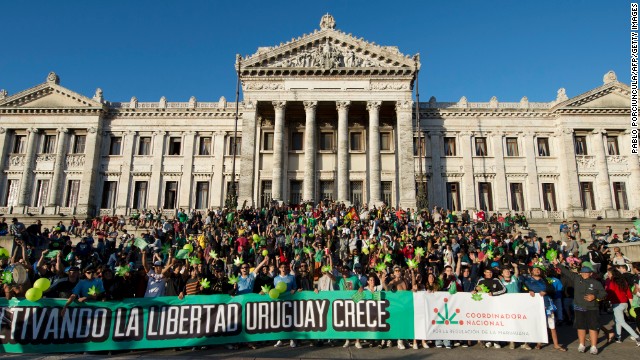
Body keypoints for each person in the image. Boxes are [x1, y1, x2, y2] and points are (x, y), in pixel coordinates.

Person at [556, 260, 606, 355]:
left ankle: (593, 346)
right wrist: (558, 264)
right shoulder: (576, 278)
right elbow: (566, 272)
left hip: (592, 308)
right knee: (580, 327)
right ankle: (581, 345)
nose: (584, 274)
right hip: (579, 307)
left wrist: (595, 297)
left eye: (586, 273)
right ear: (580, 273)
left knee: (593, 327)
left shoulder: (596, 283)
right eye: (583, 272)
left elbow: (603, 293)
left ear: (590, 273)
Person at [605, 268, 640, 345]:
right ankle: (618, 337)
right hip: (624, 303)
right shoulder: (623, 281)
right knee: (618, 321)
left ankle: (637, 337)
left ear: (613, 274)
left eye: (609, 273)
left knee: (621, 322)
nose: (608, 275)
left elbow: (610, 293)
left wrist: (605, 299)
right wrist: (631, 302)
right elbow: (629, 293)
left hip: (617, 304)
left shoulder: (612, 282)